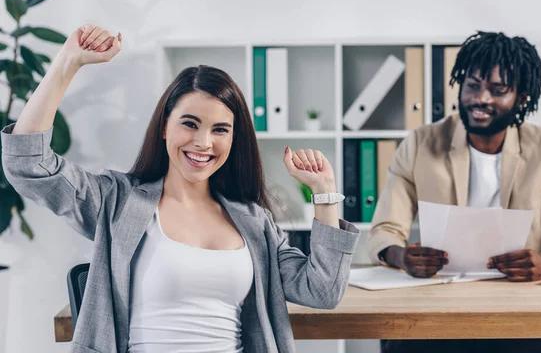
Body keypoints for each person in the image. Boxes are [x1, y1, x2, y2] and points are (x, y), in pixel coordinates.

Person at [2, 25, 360, 353]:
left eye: (220, 129)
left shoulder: (254, 221)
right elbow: (28, 164)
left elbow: (322, 291)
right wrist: (67, 62)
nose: (204, 142)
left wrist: (325, 193)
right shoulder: (117, 202)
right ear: (164, 128)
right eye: (190, 124)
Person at [367, 31, 541, 353]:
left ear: (522, 97)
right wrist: (401, 256)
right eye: (473, 86)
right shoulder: (421, 142)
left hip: (523, 309)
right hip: (434, 307)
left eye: (498, 90)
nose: (482, 99)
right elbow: (383, 231)